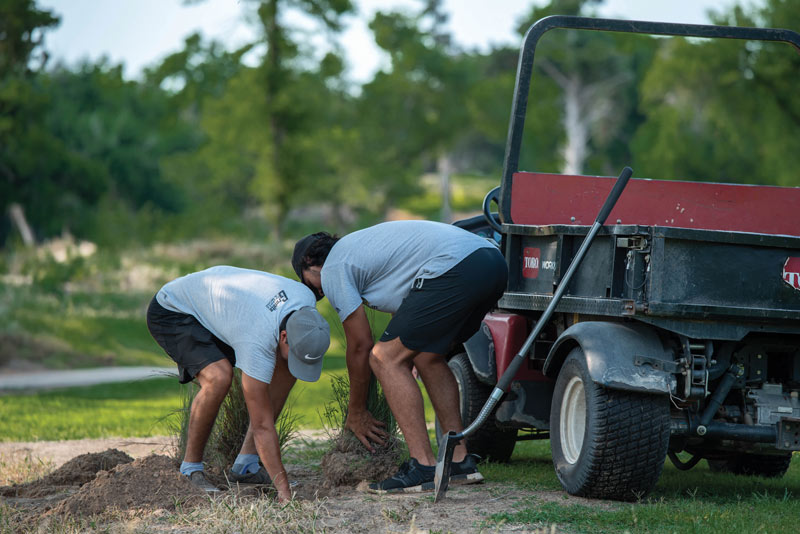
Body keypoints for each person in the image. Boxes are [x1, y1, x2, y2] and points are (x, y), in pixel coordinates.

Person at [292, 220, 508, 493]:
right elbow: (406, 313)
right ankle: (459, 461)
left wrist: (357, 411)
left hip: (456, 266)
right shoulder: (365, 253)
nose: (317, 292)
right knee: (427, 356)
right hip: (492, 262)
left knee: (384, 358)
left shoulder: (334, 267)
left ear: (310, 261)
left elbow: (360, 345)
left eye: (308, 281)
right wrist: (407, 354)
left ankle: (424, 467)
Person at [146, 266, 330, 501]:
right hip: (174, 309)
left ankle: (245, 467)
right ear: (283, 336)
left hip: (223, 309)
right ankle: (190, 469)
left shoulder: (306, 307)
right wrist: (284, 492)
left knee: (287, 366)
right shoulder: (257, 339)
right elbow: (262, 424)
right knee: (218, 377)